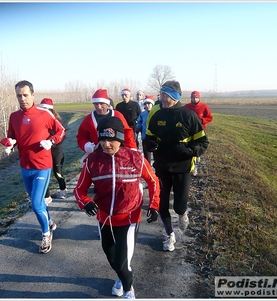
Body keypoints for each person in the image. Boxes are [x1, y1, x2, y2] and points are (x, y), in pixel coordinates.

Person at [74, 116, 160, 299]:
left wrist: (154, 205)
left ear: (120, 138)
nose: (106, 144)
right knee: (112, 259)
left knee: (122, 262)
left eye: (111, 139)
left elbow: (153, 181)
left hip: (129, 218)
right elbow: (79, 189)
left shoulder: (135, 158)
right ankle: (122, 277)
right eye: (102, 139)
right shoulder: (92, 161)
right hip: (104, 219)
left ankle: (128, 288)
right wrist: (86, 203)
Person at [2, 80, 66, 254]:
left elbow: (61, 130)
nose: (22, 99)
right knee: (37, 203)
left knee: (36, 205)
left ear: (32, 95)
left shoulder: (44, 114)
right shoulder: (14, 117)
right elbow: (11, 136)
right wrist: (10, 144)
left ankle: (46, 234)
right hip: (25, 166)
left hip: (42, 166)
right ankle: (50, 222)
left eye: (25, 95)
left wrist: (51, 141)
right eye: (19, 96)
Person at [144, 80, 209, 252]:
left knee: (179, 205)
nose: (162, 98)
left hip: (183, 167)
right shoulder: (157, 115)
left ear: (174, 97)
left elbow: (203, 142)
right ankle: (169, 235)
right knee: (162, 204)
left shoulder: (188, 116)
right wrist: (150, 144)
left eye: (165, 95)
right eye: (161, 95)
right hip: (162, 167)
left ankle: (183, 212)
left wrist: (189, 151)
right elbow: (149, 137)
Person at [76, 88, 137, 163]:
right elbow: (81, 136)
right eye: (96, 104)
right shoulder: (88, 119)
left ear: (107, 104)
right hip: (97, 155)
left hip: (117, 152)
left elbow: (127, 132)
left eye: (101, 104)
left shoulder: (117, 115)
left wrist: (131, 148)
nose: (99, 107)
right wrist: (86, 145)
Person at [39, 98, 68, 203]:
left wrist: (51, 141)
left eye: (47, 109)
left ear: (51, 110)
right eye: (42, 109)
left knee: (58, 173)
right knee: (44, 174)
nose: (44, 112)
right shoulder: (39, 122)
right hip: (43, 153)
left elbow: (62, 135)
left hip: (56, 151)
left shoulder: (56, 121)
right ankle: (46, 196)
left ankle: (62, 190)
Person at [184, 91, 213, 176]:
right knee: (190, 148)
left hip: (200, 131)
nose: (195, 99)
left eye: (196, 97)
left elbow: (210, 117)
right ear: (191, 98)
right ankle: (189, 165)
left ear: (199, 98)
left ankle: (195, 167)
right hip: (189, 132)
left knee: (197, 149)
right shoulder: (187, 107)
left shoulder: (204, 107)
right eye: (193, 97)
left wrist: (202, 120)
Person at [135, 95, 154, 163]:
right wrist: (138, 127)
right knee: (147, 156)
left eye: (149, 103)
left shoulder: (156, 113)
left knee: (157, 156)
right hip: (145, 137)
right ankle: (148, 168)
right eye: (145, 104)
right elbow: (139, 122)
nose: (147, 105)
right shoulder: (143, 114)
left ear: (152, 104)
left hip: (154, 137)